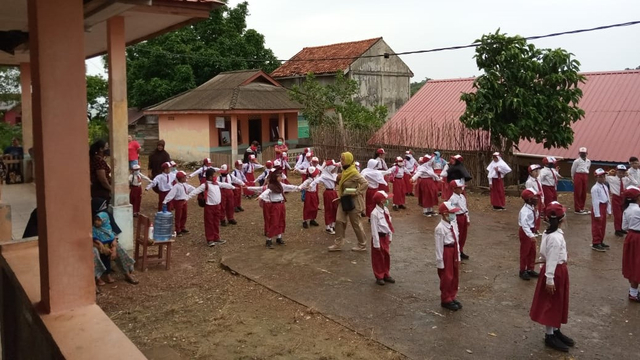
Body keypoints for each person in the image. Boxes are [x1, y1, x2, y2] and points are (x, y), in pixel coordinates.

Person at [529, 201, 575, 353]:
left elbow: (544, 254)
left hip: (555, 270)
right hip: (555, 272)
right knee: (551, 303)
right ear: (562, 219)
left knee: (557, 301)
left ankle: (555, 330)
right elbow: (552, 258)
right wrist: (549, 278)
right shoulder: (555, 237)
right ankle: (549, 334)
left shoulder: (550, 234)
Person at [248, 169, 301, 249]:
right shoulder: (271, 186)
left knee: (281, 220)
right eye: (278, 176)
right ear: (274, 178)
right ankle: (268, 239)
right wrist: (261, 196)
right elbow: (267, 192)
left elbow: (289, 187)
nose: (280, 177)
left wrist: (299, 187)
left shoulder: (280, 185)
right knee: (274, 222)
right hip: (275, 205)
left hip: (281, 204)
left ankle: (279, 237)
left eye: (280, 176)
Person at [328, 152, 369, 252]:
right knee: (339, 220)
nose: (341, 161)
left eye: (343, 159)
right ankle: (338, 243)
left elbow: (365, 183)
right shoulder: (344, 171)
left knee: (356, 223)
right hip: (343, 200)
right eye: (341, 159)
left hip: (354, 201)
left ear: (348, 160)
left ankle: (362, 244)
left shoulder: (354, 172)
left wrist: (356, 192)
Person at [187, 168, 236, 247]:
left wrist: (233, 187)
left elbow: (224, 184)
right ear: (210, 177)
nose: (215, 176)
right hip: (209, 206)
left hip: (217, 206)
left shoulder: (216, 183)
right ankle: (210, 239)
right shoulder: (205, 185)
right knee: (209, 223)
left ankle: (216, 237)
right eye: (214, 175)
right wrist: (187, 198)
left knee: (216, 222)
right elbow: (196, 191)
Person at [92, 210, 138, 285]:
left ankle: (127, 274)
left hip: (109, 245)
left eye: (99, 220)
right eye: (95, 220)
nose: (97, 222)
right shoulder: (93, 229)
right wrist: (101, 247)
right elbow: (92, 239)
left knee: (119, 249)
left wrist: (114, 248)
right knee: (94, 252)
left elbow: (113, 237)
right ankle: (97, 277)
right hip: (98, 247)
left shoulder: (108, 227)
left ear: (104, 221)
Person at [434, 201, 463, 311]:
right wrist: (440, 262)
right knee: (447, 276)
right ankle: (446, 298)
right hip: (446, 251)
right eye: (451, 213)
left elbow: (457, 241)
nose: (453, 215)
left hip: (453, 249)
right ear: (445, 214)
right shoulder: (440, 228)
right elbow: (438, 247)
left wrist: (458, 256)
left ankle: (452, 295)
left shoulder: (452, 225)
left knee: (455, 274)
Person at [370, 190, 395, 286]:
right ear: (381, 201)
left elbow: (389, 224)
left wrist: (390, 236)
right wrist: (376, 243)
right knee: (378, 257)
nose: (387, 200)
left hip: (385, 236)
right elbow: (374, 229)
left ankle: (386, 273)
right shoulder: (374, 213)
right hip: (379, 237)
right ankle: (379, 275)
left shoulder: (386, 210)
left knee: (386, 255)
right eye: (386, 199)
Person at [607, 165, 639, 237]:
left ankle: (622, 228)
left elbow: (635, 183)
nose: (621, 174)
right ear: (616, 172)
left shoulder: (625, 179)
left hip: (623, 197)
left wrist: (629, 175)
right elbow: (604, 176)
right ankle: (617, 230)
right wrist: (609, 173)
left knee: (623, 213)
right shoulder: (611, 178)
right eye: (619, 172)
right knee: (617, 215)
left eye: (623, 172)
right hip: (616, 197)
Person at [622, 186, 640, 303]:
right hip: (639, 237)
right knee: (638, 263)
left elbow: (624, 227)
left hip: (630, 237)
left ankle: (633, 292)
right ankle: (634, 293)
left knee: (633, 263)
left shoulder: (627, 210)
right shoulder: (638, 210)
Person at [162, 171, 195, 236]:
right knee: (178, 215)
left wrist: (198, 190)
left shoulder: (185, 185)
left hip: (184, 201)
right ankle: (177, 229)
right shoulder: (176, 186)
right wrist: (165, 201)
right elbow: (171, 194)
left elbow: (191, 188)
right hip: (178, 202)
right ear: (181, 178)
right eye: (184, 177)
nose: (186, 178)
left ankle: (182, 227)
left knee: (184, 215)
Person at [518, 188, 541, 281]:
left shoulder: (532, 208)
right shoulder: (524, 211)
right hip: (526, 231)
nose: (536, 198)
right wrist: (530, 235)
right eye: (534, 197)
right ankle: (522, 270)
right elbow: (524, 225)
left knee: (533, 251)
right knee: (525, 251)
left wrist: (536, 210)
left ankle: (530, 268)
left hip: (531, 230)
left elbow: (535, 217)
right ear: (529, 199)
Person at [313, 159, 339, 234]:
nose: (334, 169)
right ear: (330, 168)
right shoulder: (324, 176)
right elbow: (316, 180)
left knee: (335, 208)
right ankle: (328, 226)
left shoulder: (334, 175)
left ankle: (333, 224)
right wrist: (310, 185)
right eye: (333, 168)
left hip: (334, 192)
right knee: (329, 209)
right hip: (328, 193)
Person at [591, 168, 612, 252]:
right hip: (598, 207)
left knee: (603, 226)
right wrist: (597, 214)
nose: (603, 178)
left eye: (603, 176)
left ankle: (600, 240)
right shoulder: (595, 188)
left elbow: (608, 198)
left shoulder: (605, 186)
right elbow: (595, 201)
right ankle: (596, 242)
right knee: (597, 226)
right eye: (600, 177)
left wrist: (609, 210)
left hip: (604, 206)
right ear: (596, 178)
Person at [449, 180, 470, 260]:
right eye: (460, 188)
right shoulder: (453, 198)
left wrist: (467, 218)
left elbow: (465, 208)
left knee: (463, 235)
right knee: (457, 235)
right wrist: (452, 222)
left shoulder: (462, 197)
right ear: (454, 189)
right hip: (457, 217)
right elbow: (451, 210)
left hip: (463, 216)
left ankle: (460, 250)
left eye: (462, 187)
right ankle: (456, 252)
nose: (462, 189)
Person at [571, 147, 591, 214]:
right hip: (578, 175)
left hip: (585, 175)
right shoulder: (576, 161)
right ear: (579, 153)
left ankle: (582, 207)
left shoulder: (588, 161)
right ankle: (577, 208)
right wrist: (573, 178)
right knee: (578, 192)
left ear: (586, 153)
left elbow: (588, 168)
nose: (583, 155)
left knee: (584, 192)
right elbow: (573, 170)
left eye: (584, 153)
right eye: (581, 153)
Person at [526, 164, 545, 233]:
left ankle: (537, 228)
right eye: (535, 171)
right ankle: (532, 229)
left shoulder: (538, 180)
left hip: (539, 198)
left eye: (538, 171)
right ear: (531, 172)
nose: (537, 173)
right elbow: (528, 192)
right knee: (534, 215)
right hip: (534, 199)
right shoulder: (529, 182)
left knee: (538, 214)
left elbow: (541, 190)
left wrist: (542, 200)